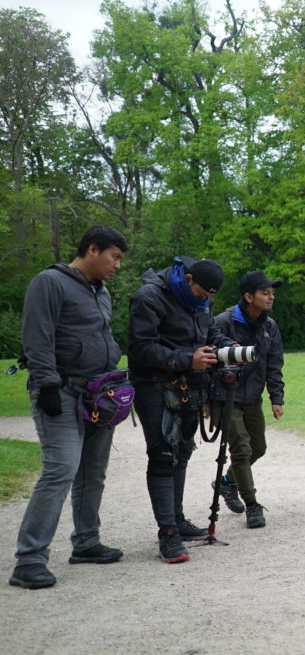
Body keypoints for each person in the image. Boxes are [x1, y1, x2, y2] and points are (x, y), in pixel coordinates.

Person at [9, 226, 129, 590]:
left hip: (98, 395)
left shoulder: (101, 291)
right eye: (114, 257)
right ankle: (29, 560)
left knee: (93, 473)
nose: (117, 266)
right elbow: (37, 336)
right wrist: (46, 384)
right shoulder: (49, 283)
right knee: (60, 470)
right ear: (93, 249)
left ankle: (87, 542)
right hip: (59, 392)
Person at [128, 255, 237, 563]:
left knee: (184, 450)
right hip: (154, 384)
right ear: (189, 280)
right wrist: (187, 359)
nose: (206, 301)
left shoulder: (202, 301)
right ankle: (168, 534)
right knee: (163, 454)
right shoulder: (148, 297)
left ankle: (176, 519)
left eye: (211, 297)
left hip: (191, 384)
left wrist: (230, 348)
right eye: (203, 294)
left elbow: (208, 334)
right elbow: (140, 348)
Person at [210, 271, 285, 529]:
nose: (271, 297)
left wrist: (277, 397)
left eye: (272, 293)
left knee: (258, 448)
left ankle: (228, 483)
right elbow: (208, 361)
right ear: (248, 296)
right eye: (265, 293)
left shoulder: (270, 326)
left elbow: (274, 364)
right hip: (225, 396)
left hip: (253, 396)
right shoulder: (222, 322)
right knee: (240, 449)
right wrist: (208, 400)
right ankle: (252, 505)